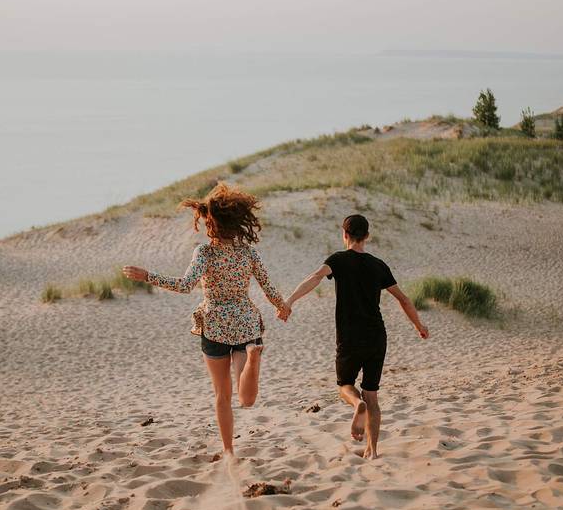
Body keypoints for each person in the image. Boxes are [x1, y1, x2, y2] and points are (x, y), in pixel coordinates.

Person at [122, 183, 289, 458]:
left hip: (214, 325)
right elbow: (268, 287)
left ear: (210, 221)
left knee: (222, 397)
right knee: (247, 399)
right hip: (246, 322)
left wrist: (147, 275)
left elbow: (185, 285)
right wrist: (282, 307)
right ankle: (252, 357)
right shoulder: (249, 253)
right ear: (238, 221)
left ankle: (228, 451)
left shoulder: (205, 253)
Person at [281, 214, 428, 459]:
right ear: (367, 236)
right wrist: (418, 325)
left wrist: (289, 301)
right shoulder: (379, 265)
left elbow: (315, 278)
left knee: (345, 386)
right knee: (372, 394)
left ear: (344, 234)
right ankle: (372, 451)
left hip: (349, 336)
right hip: (376, 336)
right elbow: (403, 299)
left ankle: (355, 404)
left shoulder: (338, 260)